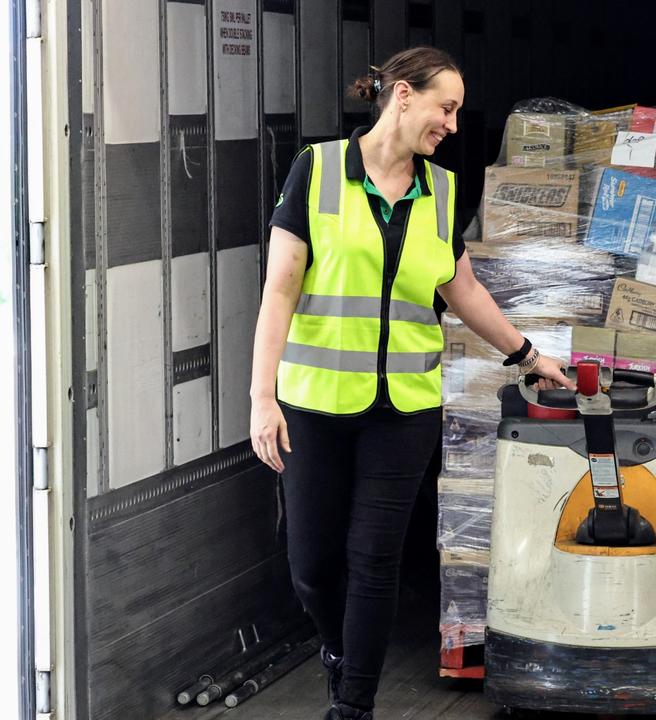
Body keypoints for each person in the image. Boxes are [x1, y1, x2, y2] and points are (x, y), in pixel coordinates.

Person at [249, 47, 575, 720]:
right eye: (445, 107)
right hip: (313, 404)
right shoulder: (316, 172)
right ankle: (339, 650)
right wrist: (261, 397)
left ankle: (353, 707)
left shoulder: (441, 191)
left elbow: (462, 288)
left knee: (375, 561)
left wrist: (527, 354)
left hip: (404, 411)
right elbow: (279, 290)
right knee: (312, 565)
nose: (453, 125)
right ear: (402, 96)